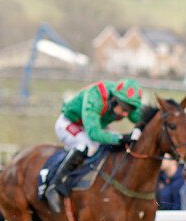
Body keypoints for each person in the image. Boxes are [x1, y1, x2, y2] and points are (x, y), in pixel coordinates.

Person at [45, 79, 144, 213]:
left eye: (130, 109)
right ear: (114, 99)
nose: (126, 114)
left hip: (92, 125)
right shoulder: (95, 96)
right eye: (125, 109)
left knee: (118, 145)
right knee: (88, 145)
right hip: (70, 123)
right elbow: (94, 133)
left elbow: (141, 118)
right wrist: (122, 137)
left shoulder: (124, 101)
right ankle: (54, 185)